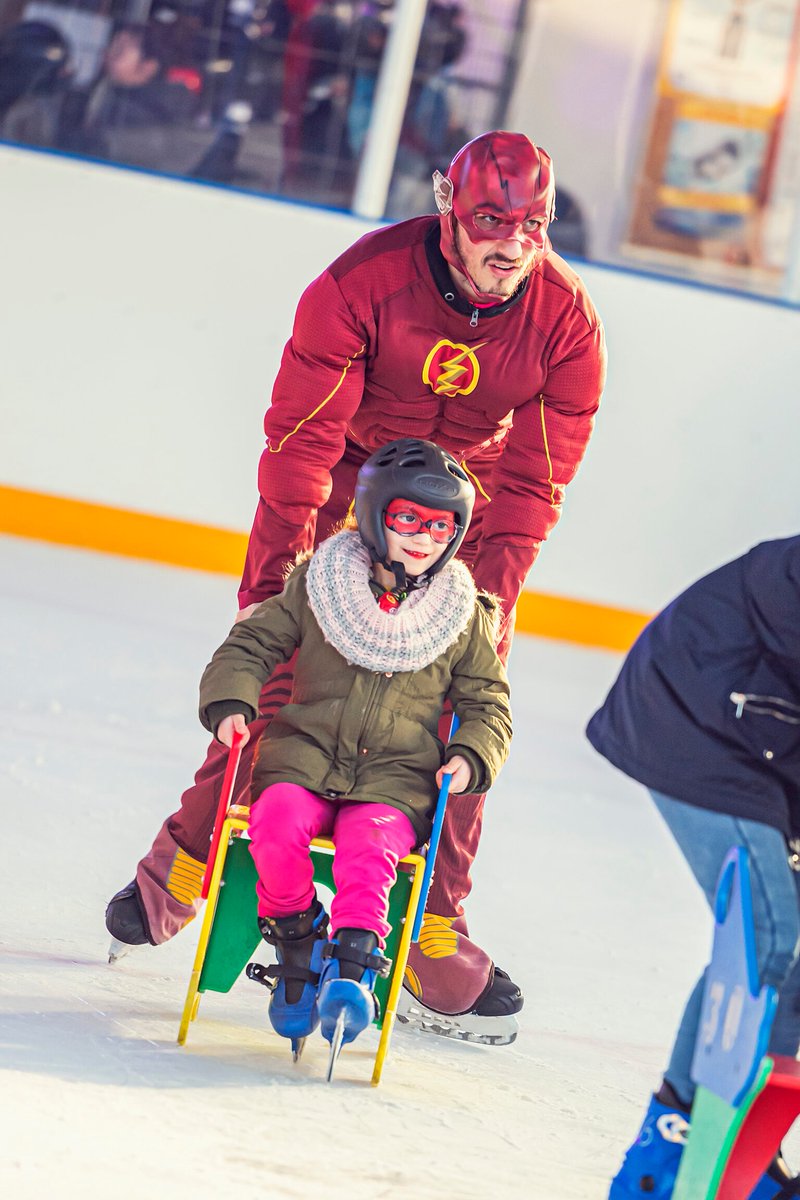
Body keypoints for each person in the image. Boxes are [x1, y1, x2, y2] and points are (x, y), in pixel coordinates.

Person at [106, 128, 607, 1044]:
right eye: (489, 218)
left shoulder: (565, 322)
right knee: (281, 685)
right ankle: (183, 862)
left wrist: (483, 610)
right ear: (447, 206)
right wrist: (275, 584)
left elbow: (534, 486)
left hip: (465, 528)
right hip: (344, 495)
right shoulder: (361, 283)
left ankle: (432, 926)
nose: (509, 243)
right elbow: (300, 444)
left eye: (530, 224)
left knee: (462, 717)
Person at [198, 438, 511, 1057]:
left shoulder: (463, 614)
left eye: (440, 526)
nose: (423, 538)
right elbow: (252, 644)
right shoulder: (322, 584)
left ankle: (353, 963)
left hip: (396, 781)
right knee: (276, 824)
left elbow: (488, 704)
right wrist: (232, 701)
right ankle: (295, 932)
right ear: (374, 515)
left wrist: (471, 754)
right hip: (303, 760)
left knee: (371, 851)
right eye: (407, 520)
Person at [585, 536, 800, 1198]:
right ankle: (670, 1148)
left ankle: (744, 1149)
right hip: (694, 722)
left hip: (758, 734)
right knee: (766, 937)